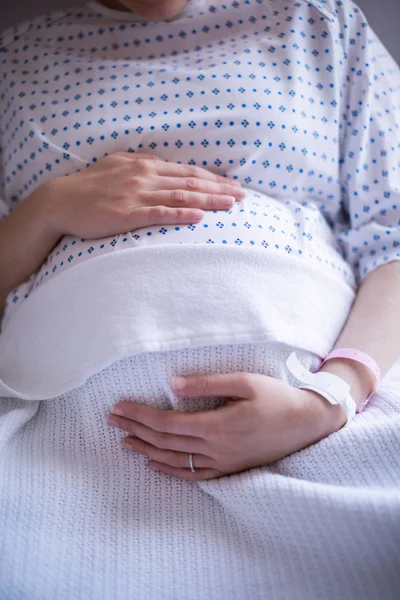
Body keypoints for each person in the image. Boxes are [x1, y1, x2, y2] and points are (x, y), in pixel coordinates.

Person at [0, 0, 399, 598]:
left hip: (331, 418)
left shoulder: (322, 23)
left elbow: (393, 240)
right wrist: (47, 209)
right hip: (63, 446)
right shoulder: (13, 63)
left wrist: (329, 400)